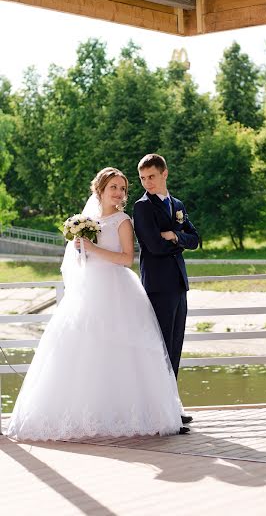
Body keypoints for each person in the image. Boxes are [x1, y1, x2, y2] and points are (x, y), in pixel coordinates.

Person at [7, 167, 185, 441]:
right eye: (114, 187)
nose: (119, 193)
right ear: (99, 189)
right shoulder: (85, 221)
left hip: (118, 288)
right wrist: (81, 251)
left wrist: (91, 249)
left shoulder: (123, 220)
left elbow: (126, 258)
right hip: (89, 289)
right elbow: (80, 261)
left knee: (124, 351)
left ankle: (127, 413)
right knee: (81, 348)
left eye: (123, 188)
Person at [133, 154, 199, 427]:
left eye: (151, 176)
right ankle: (158, 411)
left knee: (175, 347)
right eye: (142, 178)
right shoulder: (142, 207)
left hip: (179, 285)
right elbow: (154, 247)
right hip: (158, 286)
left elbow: (195, 240)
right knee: (159, 348)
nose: (147, 182)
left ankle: (172, 406)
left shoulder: (178, 205)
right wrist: (176, 239)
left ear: (164, 174)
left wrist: (174, 236)